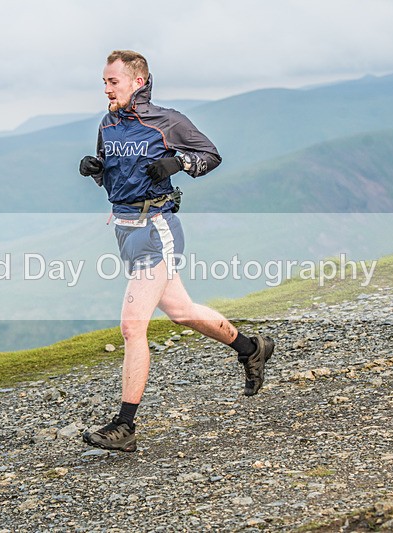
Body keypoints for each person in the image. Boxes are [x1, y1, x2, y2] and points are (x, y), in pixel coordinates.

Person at [79, 50, 275, 452]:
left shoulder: (167, 121)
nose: (106, 88)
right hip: (124, 229)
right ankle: (251, 348)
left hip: (158, 229)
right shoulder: (108, 123)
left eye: (112, 81)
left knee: (133, 326)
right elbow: (116, 175)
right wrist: (97, 171)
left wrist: (177, 164)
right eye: (103, 82)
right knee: (183, 312)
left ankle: (125, 425)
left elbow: (211, 155)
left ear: (138, 82)